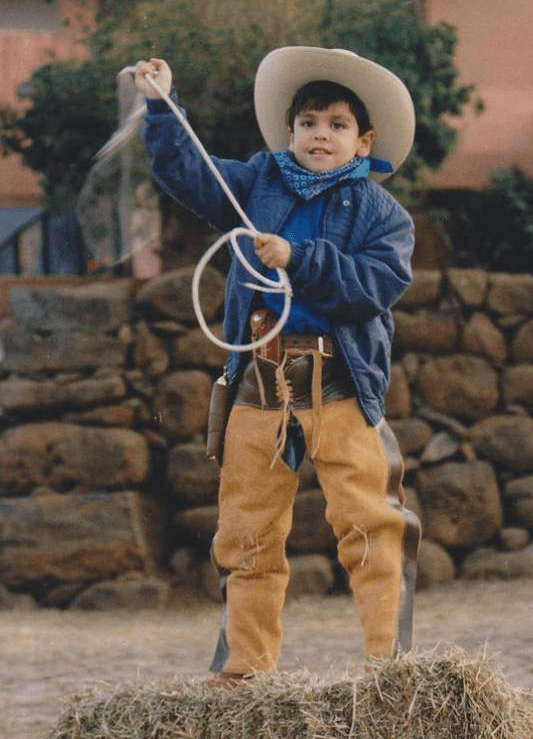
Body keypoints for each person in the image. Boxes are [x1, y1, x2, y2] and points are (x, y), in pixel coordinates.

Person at [134, 47, 421, 687]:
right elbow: (191, 172)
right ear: (289, 132)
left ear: (363, 139)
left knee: (371, 527)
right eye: (310, 122)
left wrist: (299, 257)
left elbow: (370, 287)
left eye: (338, 124)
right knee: (246, 536)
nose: (322, 134)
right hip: (259, 388)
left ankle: (393, 672)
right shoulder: (257, 182)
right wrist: (162, 106)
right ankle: (242, 674)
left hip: (342, 391)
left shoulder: (384, 216)